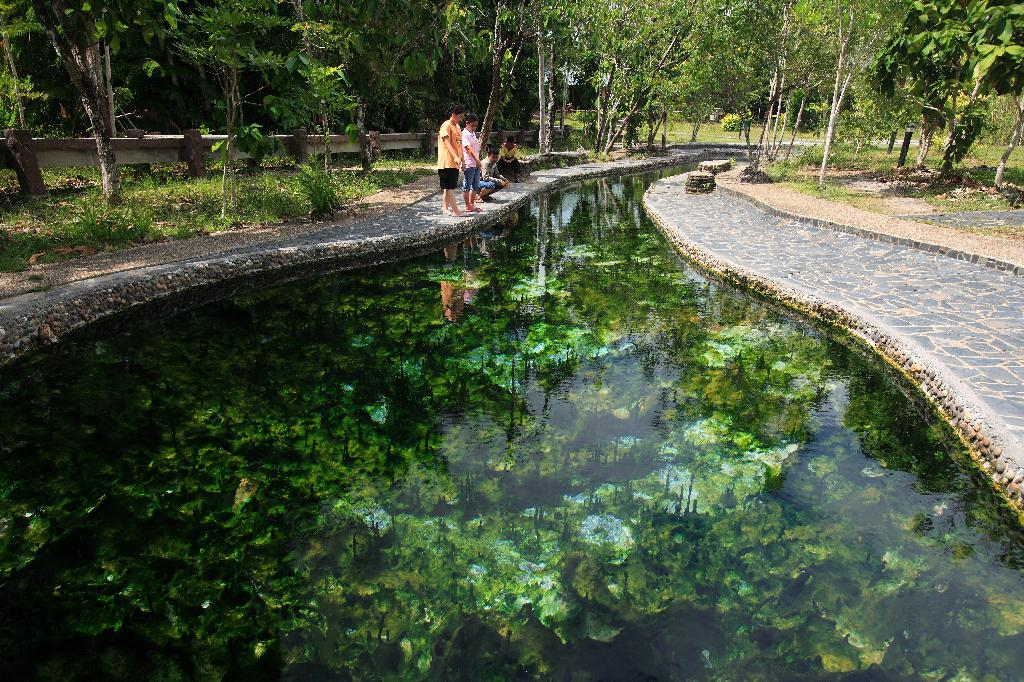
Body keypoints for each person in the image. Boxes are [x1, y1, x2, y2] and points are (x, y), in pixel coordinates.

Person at [437, 104, 467, 216]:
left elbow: (460, 145)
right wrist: (454, 156)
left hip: (455, 163)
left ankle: (445, 208)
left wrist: (462, 161)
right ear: (453, 114)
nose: (461, 119)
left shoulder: (458, 127)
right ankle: (456, 211)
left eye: (462, 117)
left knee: (448, 187)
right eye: (460, 117)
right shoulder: (446, 125)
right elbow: (446, 142)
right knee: (449, 187)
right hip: (446, 162)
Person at [460, 113, 484, 213]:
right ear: (467, 123)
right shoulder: (464, 134)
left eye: (476, 126)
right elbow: (468, 148)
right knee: (467, 185)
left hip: (476, 164)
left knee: (475, 185)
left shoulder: (473, 133)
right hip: (470, 163)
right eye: (472, 125)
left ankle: (471, 204)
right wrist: (477, 160)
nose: (474, 127)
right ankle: (467, 205)